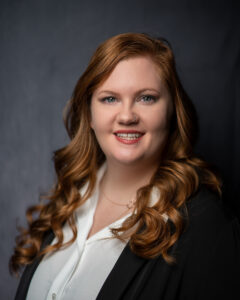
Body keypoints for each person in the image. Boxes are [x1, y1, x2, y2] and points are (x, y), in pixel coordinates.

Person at [10, 32, 240, 300]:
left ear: (172, 112)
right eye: (110, 98)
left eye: (147, 98)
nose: (127, 116)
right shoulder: (67, 200)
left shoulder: (206, 226)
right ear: (90, 114)